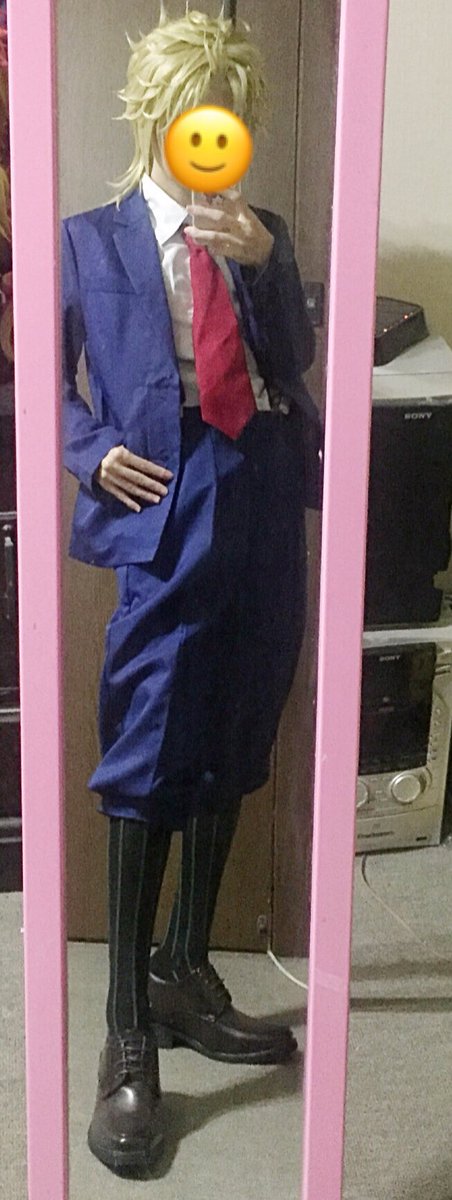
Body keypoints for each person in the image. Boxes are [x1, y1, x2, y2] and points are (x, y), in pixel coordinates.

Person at [62, 7, 321, 1178]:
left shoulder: (261, 232)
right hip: (164, 494)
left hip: (261, 486)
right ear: (152, 118)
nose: (206, 135)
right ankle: (126, 1028)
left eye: (224, 116)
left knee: (233, 733)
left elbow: (293, 359)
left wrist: (263, 265)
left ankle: (183, 972)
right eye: (187, 114)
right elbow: (34, 375)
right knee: (147, 753)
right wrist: (86, 449)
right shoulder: (88, 239)